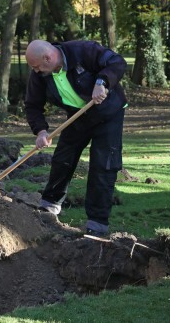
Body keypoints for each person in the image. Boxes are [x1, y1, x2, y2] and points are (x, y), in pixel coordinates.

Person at [24, 39, 128, 236]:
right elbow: (32, 104)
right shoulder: (40, 73)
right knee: (63, 158)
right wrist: (41, 131)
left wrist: (102, 81)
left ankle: (97, 223)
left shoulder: (83, 50)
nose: (36, 71)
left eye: (37, 66)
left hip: (108, 114)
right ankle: (50, 206)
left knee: (103, 165)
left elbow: (117, 62)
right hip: (78, 115)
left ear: (48, 57)